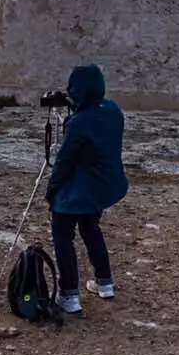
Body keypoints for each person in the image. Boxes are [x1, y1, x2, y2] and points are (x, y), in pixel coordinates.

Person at [45, 63, 129, 313]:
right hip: (101, 188)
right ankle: (105, 283)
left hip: (78, 192)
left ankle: (69, 295)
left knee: (63, 236)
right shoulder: (113, 110)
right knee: (91, 228)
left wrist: (51, 192)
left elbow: (64, 162)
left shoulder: (78, 123)